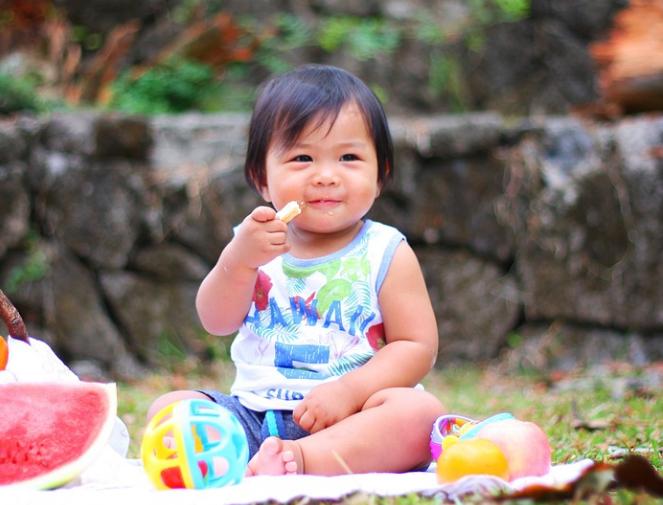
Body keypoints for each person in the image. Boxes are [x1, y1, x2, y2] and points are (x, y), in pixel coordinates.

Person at [146, 64, 446, 476]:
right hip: (254, 416)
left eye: (349, 157)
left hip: (353, 418)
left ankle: (304, 460)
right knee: (169, 410)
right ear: (262, 179)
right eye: (302, 157)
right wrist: (239, 260)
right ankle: (258, 458)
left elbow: (416, 346)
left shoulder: (385, 251)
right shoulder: (253, 242)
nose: (325, 176)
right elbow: (215, 321)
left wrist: (348, 391)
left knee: (419, 413)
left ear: (381, 176)